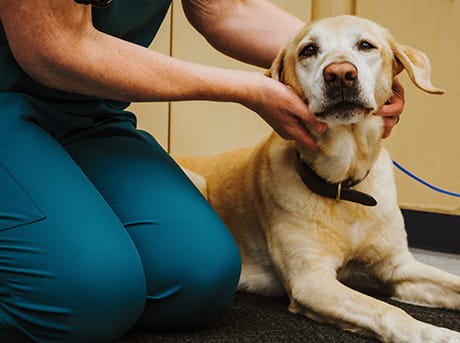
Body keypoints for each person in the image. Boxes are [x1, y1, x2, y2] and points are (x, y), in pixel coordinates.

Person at [0, 0, 404, 342]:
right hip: (6, 105)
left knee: (199, 281)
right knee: (87, 297)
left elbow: (227, 7)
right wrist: (247, 88)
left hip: (87, 114)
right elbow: (53, 46)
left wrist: (351, 62)